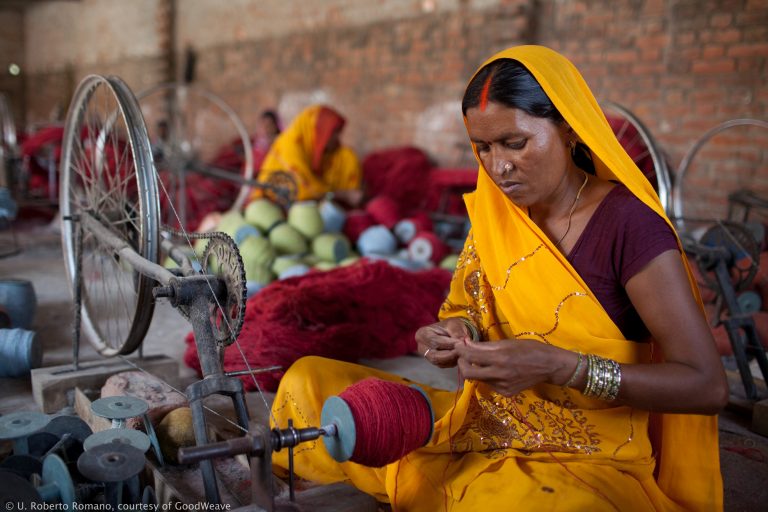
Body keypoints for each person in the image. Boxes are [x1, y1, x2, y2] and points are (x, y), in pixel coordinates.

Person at [269, 46, 727, 511]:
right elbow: (468, 309)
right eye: (482, 147)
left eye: (515, 143)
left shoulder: (630, 225)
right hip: (483, 423)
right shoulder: (500, 212)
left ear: (568, 128)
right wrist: (454, 333)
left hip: (588, 458)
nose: (498, 166)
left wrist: (563, 367)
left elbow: (706, 385)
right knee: (307, 383)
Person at [252, 104, 363, 207]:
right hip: (271, 205)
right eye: (332, 133)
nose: (336, 138)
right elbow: (304, 187)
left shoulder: (330, 153)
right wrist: (342, 194)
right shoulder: (289, 144)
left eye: (338, 132)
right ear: (318, 132)